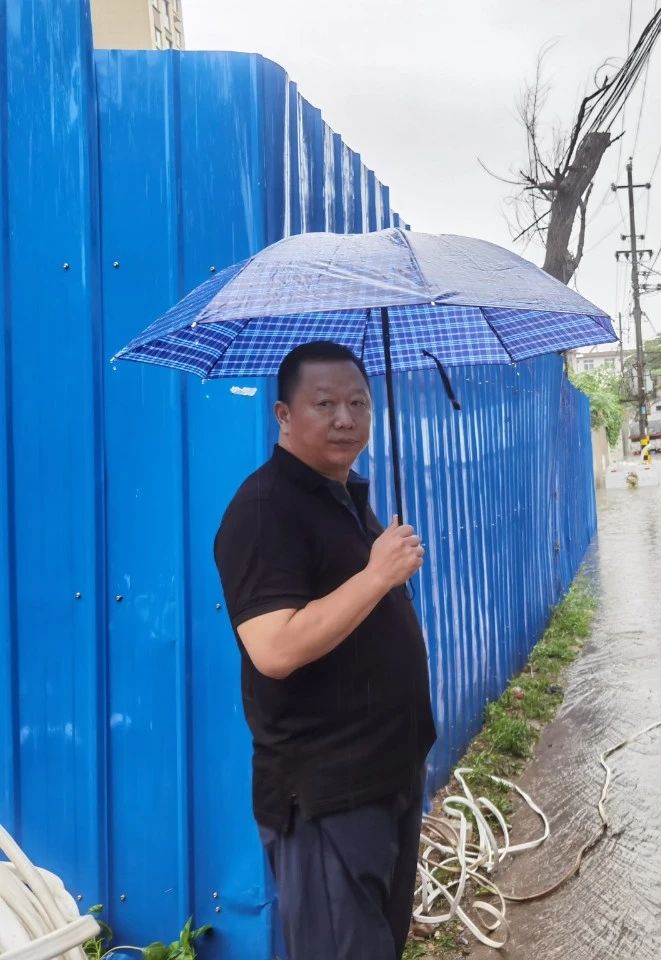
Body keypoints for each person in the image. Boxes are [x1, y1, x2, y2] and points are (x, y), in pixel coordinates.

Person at [213, 341, 435, 960]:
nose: (345, 418)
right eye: (325, 404)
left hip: (386, 774)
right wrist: (375, 576)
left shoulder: (344, 497)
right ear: (282, 415)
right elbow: (274, 648)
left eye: (358, 403)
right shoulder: (264, 511)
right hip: (326, 793)